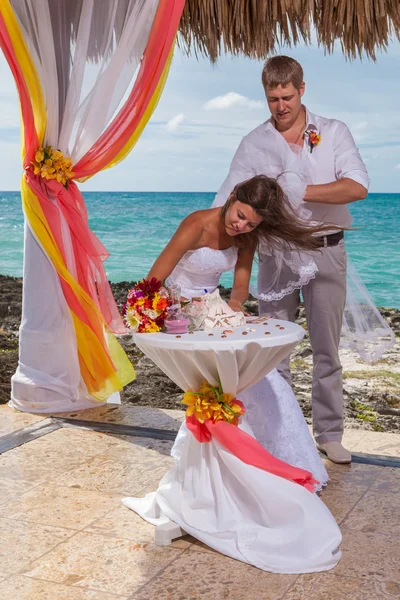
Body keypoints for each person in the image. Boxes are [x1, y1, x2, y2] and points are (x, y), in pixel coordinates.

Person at [123, 174, 342, 574]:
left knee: (260, 376)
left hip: (213, 312)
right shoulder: (196, 223)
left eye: (251, 224)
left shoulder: (246, 237)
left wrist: (234, 306)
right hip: (177, 314)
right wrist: (158, 311)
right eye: (240, 216)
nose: (241, 226)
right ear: (233, 198)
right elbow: (157, 277)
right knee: (220, 386)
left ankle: (271, 470)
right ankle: (221, 478)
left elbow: (239, 285)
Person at [213, 55, 370, 464]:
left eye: (286, 96)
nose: (280, 106)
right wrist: (202, 245)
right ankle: (281, 435)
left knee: (326, 351)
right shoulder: (253, 143)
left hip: (327, 252)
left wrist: (301, 189)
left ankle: (329, 434)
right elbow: (227, 199)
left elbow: (357, 186)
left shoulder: (333, 132)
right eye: (272, 99)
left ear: (302, 89)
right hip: (276, 258)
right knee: (272, 349)